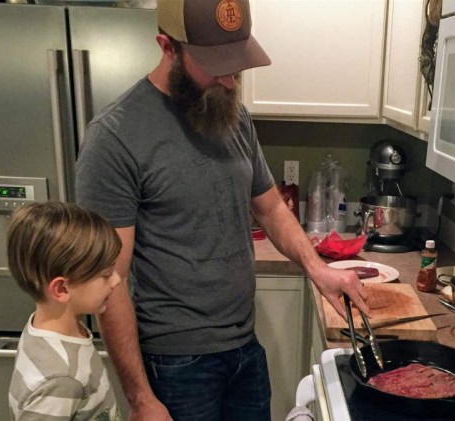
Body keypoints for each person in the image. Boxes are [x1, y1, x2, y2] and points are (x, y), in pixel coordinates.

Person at [74, 0, 370, 419]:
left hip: (244, 350)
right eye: (216, 65)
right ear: (167, 47)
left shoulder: (232, 116)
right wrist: (140, 397)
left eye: (237, 64)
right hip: (175, 364)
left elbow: (269, 208)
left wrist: (317, 268)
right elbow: (110, 279)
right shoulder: (115, 137)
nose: (230, 80)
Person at [6, 201, 123, 420]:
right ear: (61, 289)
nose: (116, 280)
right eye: (106, 274)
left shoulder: (48, 330)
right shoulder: (60, 380)